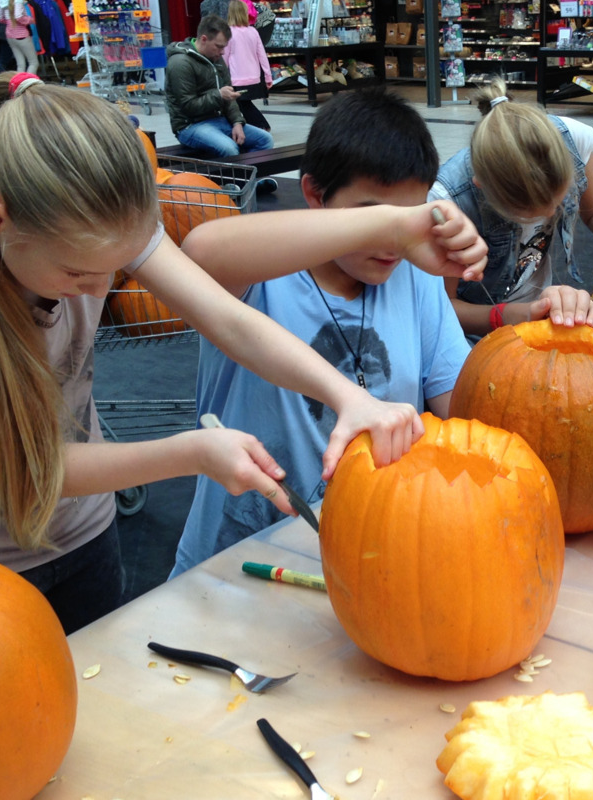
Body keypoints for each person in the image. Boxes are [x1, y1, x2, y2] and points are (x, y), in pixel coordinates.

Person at [0, 73, 457, 634]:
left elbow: (228, 318)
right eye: (79, 272)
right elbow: (28, 470)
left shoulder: (99, 217)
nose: (101, 293)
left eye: (116, 267)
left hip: (84, 530)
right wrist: (193, 452)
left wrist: (347, 396)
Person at [170, 88, 523, 576]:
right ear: (314, 193)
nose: (394, 241)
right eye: (372, 214)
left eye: (409, 217)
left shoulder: (414, 280)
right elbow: (202, 251)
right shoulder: (263, 271)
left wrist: (530, 341)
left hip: (369, 552)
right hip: (236, 556)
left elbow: (458, 410)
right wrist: (391, 225)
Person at [430, 79, 593, 339]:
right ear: (481, 185)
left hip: (537, 313)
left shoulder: (570, 138)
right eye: (527, 211)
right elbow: (441, 309)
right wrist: (506, 316)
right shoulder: (447, 201)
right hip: (476, 332)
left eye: (558, 200)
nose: (550, 215)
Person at [164, 15, 275, 165]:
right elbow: (188, 105)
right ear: (204, 39)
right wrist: (219, 95)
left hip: (219, 119)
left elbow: (229, 96)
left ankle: (247, 180)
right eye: (219, 46)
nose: (223, 52)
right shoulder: (180, 63)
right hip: (190, 126)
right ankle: (240, 184)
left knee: (265, 140)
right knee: (229, 148)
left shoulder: (216, 58)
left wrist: (237, 122)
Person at [224, 0, 271, 132]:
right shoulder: (253, 31)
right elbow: (262, 55)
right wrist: (267, 76)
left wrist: (221, 75)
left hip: (237, 77)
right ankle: (258, 125)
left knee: (241, 103)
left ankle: (261, 125)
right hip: (254, 76)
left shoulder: (229, 33)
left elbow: (224, 57)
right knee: (243, 103)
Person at [0, 0, 37, 75]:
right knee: (33, 63)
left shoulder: (4, 3)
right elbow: (18, 16)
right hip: (22, 35)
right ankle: (28, 82)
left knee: (20, 64)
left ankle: (19, 82)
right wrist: (30, 20)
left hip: (10, 36)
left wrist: (9, 22)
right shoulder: (18, 2)